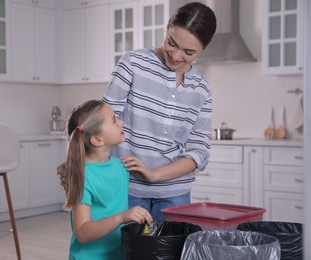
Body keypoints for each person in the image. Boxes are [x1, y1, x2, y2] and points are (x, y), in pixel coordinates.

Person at [102, 2, 217, 221]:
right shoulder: (134, 63)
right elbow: (102, 121)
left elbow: (198, 150)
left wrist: (155, 175)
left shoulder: (201, 89)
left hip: (175, 195)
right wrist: (78, 165)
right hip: (126, 188)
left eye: (189, 52)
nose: (175, 55)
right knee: (126, 253)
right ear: (167, 28)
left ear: (204, 48)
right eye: (171, 43)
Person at [60, 100, 153, 260]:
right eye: (114, 120)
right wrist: (121, 217)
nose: (121, 122)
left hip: (117, 254)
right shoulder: (84, 176)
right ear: (97, 140)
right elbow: (82, 232)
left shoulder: (121, 166)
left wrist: (146, 172)